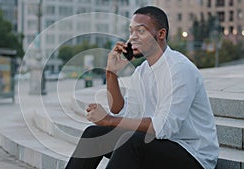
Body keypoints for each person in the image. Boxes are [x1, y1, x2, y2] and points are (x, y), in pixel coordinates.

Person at [65, 6, 219, 169]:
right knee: (93, 134)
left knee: (131, 141)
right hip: (158, 146)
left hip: (193, 155)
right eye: (131, 32)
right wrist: (111, 73)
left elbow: (164, 127)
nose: (132, 38)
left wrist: (108, 120)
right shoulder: (142, 71)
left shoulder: (179, 69)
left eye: (141, 31)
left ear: (160, 34)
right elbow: (124, 114)